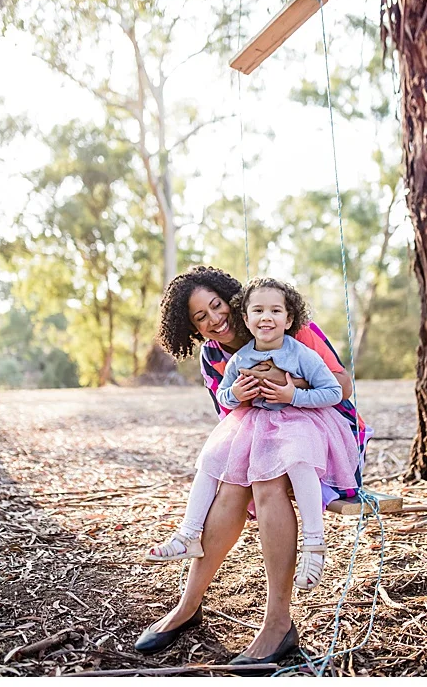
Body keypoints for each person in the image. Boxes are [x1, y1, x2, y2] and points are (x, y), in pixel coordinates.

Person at [136, 266, 367, 666]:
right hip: (263, 436)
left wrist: (291, 389)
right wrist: (240, 393)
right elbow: (230, 416)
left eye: (216, 306)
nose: (214, 320)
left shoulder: (290, 331)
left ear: (232, 301)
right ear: (190, 327)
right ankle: (189, 605)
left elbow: (342, 385)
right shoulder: (215, 355)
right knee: (230, 484)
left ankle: (278, 624)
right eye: (200, 317)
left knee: (265, 482)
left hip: (324, 435)